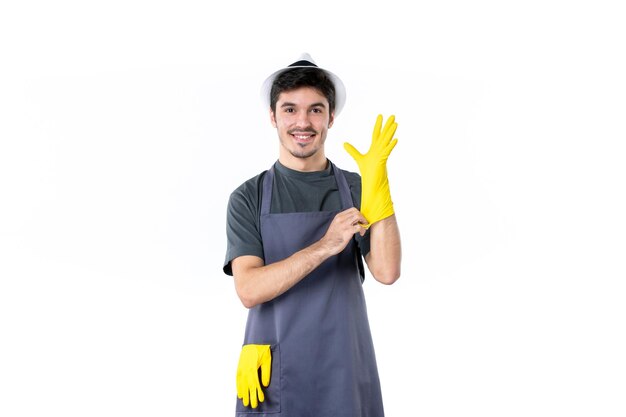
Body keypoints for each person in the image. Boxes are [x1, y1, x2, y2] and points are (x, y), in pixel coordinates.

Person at [223, 53, 402, 417]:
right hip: (275, 370)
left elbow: (386, 271)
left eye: (315, 110)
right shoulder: (249, 197)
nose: (302, 122)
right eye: (290, 109)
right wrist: (326, 245)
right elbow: (249, 289)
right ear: (273, 117)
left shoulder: (355, 187)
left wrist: (379, 189)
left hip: (345, 368)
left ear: (330, 117)